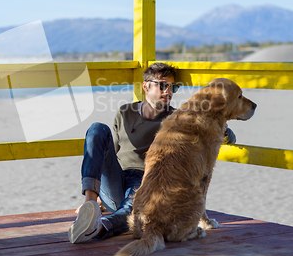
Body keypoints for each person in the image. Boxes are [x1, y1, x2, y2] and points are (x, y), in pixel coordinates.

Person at [68, 63, 236, 243]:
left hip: (146, 184)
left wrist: (222, 128)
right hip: (116, 180)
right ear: (146, 86)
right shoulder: (125, 112)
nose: (169, 92)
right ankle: (90, 203)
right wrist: (100, 199)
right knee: (97, 129)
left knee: (134, 208)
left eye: (174, 87)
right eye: (163, 85)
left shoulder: (179, 118)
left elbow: (229, 136)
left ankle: (98, 227)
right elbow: (111, 152)